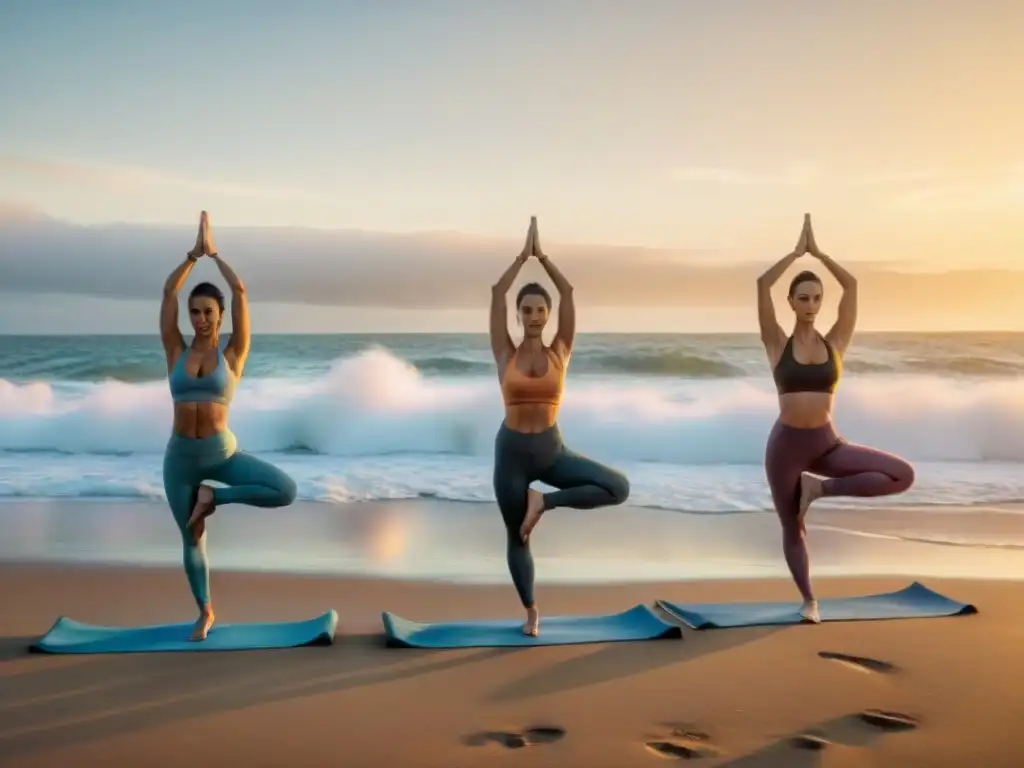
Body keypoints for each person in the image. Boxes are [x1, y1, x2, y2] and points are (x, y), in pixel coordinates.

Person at [756, 213, 915, 623]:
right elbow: (761, 285)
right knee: (793, 529)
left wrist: (820, 254)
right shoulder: (777, 343)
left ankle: (819, 489)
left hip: (827, 444)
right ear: (790, 302)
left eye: (816, 298)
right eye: (802, 298)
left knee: (901, 475)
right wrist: (795, 254)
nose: (810, 305)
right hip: (786, 447)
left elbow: (852, 287)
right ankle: (809, 601)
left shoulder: (837, 343)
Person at [489, 216, 630, 636]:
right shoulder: (504, 352)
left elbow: (568, 291)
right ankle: (531, 611)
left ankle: (543, 504)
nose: (534, 316)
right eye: (527, 310)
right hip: (512, 453)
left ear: (549, 316)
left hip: (552, 451)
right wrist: (522, 257)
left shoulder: (561, 350)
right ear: (518, 315)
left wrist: (543, 257)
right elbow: (498, 292)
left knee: (617, 488)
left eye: (540, 310)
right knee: (518, 538)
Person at [159, 211, 297, 640]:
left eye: (208, 311)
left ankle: (215, 497)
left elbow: (239, 289)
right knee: (191, 538)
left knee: (285, 491)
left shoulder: (234, 355)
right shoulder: (175, 351)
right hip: (180, 459)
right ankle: (205, 612)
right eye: (195, 311)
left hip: (222, 453)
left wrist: (213, 254)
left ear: (220, 315)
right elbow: (168, 291)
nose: (200, 318)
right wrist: (190, 256)